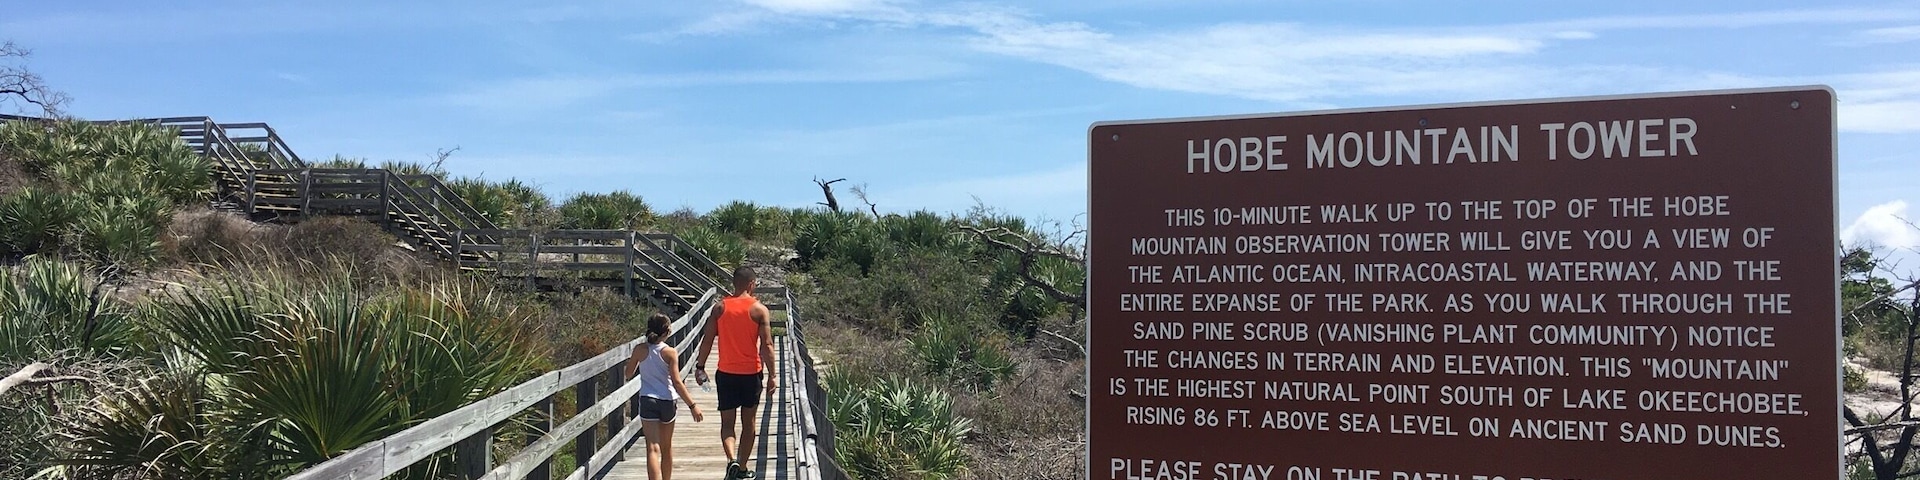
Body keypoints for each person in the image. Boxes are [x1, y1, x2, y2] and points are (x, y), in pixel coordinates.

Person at [695, 266, 777, 480]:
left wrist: (700, 367)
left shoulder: (719, 308)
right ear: (751, 284)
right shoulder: (759, 310)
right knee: (749, 424)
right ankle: (742, 468)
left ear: (734, 283)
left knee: (727, 423)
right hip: (751, 374)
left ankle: (731, 459)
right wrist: (773, 375)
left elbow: (707, 340)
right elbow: (767, 345)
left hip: (726, 373)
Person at [625, 312, 704, 480]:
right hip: (667, 400)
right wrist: (692, 405)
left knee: (652, 448)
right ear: (667, 332)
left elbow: (628, 373)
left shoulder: (640, 349)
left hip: (647, 399)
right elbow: (677, 382)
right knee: (666, 447)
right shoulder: (670, 352)